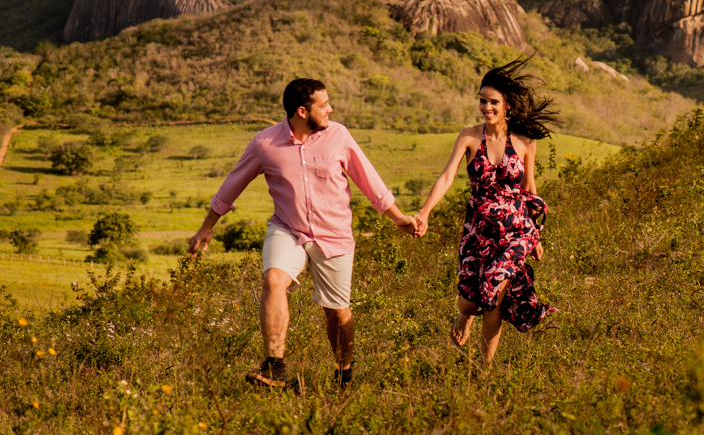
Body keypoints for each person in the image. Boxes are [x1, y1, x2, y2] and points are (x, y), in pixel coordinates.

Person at [188, 78, 420, 389]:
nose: (331, 109)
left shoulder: (339, 136)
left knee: (336, 313)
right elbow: (234, 183)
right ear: (301, 111)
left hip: (334, 234)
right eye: (323, 106)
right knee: (272, 279)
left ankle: (343, 371)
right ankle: (274, 366)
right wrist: (207, 226)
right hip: (288, 228)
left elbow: (369, 180)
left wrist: (398, 217)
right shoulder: (264, 144)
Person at [414, 56, 559, 363]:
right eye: (482, 101)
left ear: (507, 105)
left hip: (515, 233)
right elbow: (447, 176)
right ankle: (466, 317)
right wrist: (424, 212)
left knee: (494, 297)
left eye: (493, 102)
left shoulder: (524, 142)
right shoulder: (469, 136)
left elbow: (529, 190)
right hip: (478, 231)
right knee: (469, 302)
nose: (487, 108)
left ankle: (484, 371)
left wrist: (536, 236)